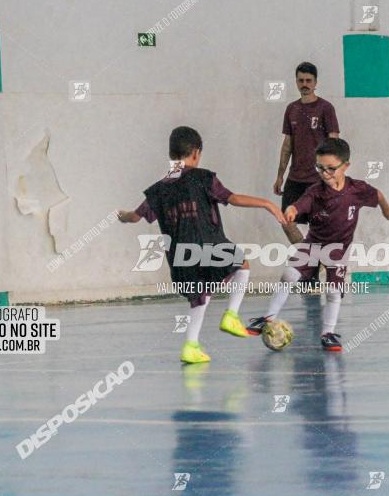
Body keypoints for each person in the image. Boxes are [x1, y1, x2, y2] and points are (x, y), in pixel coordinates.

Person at [119, 126, 285, 363]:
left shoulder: (158, 189)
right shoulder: (204, 178)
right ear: (196, 153)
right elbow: (234, 198)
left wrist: (121, 215)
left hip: (180, 259)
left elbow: (134, 217)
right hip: (208, 246)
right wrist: (268, 204)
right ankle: (231, 315)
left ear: (171, 154)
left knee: (200, 296)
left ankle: (191, 346)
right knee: (243, 264)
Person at [247, 138, 389, 351]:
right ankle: (268, 318)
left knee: (334, 291)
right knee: (289, 274)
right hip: (313, 243)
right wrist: (292, 210)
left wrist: (387, 209)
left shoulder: (357, 189)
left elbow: (377, 195)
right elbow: (301, 204)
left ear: (346, 165)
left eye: (331, 169)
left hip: (338, 249)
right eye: (320, 167)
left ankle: (328, 333)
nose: (325, 173)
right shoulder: (316, 191)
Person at [274, 61, 340, 244]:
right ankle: (308, 256)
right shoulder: (292, 109)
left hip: (318, 178)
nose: (305, 84)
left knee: (319, 224)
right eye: (301, 80)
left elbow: (334, 143)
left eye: (309, 80)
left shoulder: (326, 108)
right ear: (296, 82)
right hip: (295, 178)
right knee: (286, 220)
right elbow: (287, 144)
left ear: (315, 82)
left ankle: (320, 265)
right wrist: (280, 176)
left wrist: (333, 175)